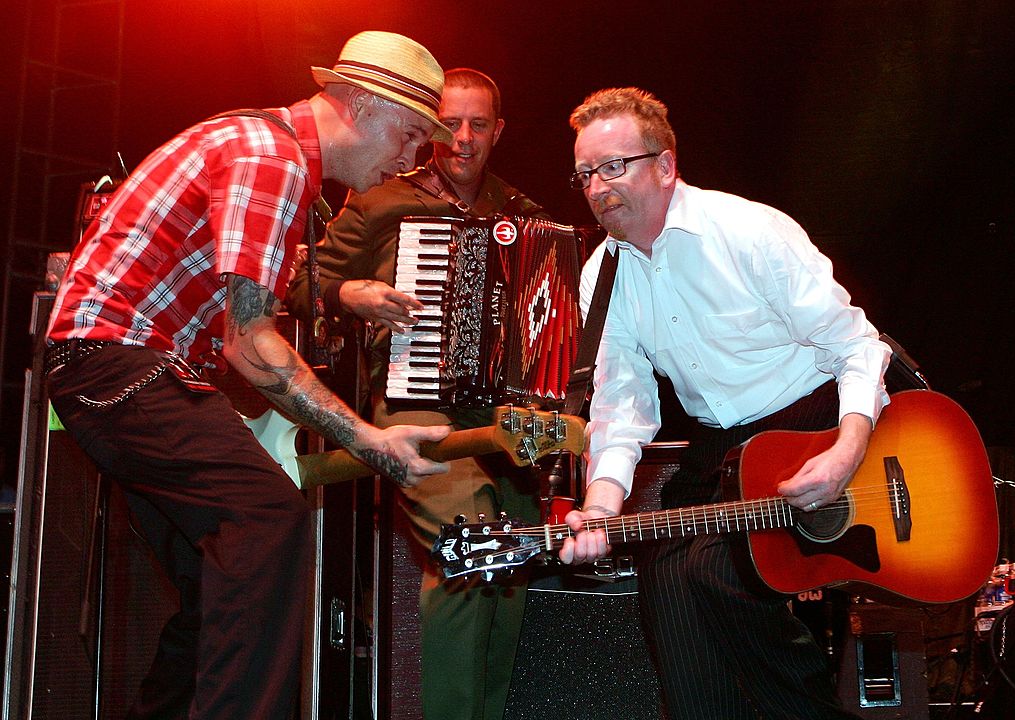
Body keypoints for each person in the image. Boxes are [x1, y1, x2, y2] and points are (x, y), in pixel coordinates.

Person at [44, 31, 455, 719]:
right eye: (412, 133)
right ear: (356, 102)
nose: (413, 158)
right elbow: (249, 341)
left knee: (220, 584)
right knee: (267, 521)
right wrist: (367, 439)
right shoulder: (275, 158)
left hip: (109, 367)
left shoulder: (259, 143)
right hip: (118, 360)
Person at [557, 87, 891, 719]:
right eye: (584, 174)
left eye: (612, 167)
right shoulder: (602, 273)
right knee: (665, 582)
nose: (597, 187)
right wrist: (600, 507)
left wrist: (848, 450)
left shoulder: (750, 232)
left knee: (716, 569)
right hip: (721, 450)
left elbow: (854, 345)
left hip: (813, 423)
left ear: (664, 165)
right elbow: (622, 402)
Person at [287, 68, 547, 720]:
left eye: (477, 124)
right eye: (448, 124)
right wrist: (349, 293)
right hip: (418, 405)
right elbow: (299, 283)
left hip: (503, 419)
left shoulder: (522, 216)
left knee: (506, 577)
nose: (461, 138)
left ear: (498, 130)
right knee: (469, 545)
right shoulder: (382, 202)